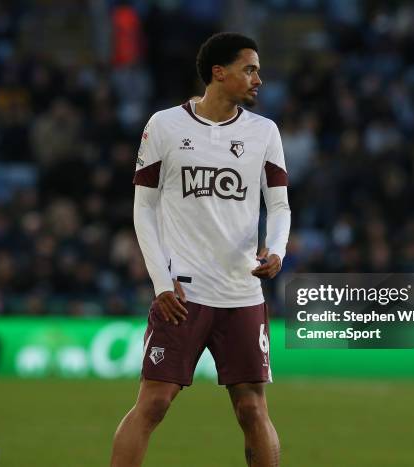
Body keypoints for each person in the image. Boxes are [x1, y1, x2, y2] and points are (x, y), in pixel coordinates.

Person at [111, 32, 291, 467]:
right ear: (219, 72)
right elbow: (144, 209)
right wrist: (160, 283)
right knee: (154, 403)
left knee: (252, 408)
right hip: (182, 293)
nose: (258, 80)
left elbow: (280, 203)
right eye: (250, 69)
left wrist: (278, 251)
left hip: (241, 292)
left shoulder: (263, 131)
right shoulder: (164, 125)